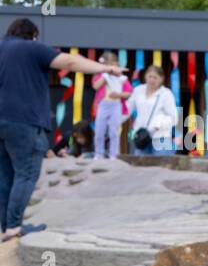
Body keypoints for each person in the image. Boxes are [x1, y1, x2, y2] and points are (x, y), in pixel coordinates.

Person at [0, 18, 125, 242]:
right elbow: (69, 62)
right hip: (23, 120)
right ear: (33, 34)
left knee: (5, 175)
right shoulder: (31, 47)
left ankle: (5, 225)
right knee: (26, 172)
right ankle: (12, 228)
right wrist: (107, 68)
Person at [126, 65, 178, 155]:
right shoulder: (138, 90)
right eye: (150, 76)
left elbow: (173, 118)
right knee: (139, 166)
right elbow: (127, 109)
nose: (152, 80)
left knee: (161, 167)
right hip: (142, 137)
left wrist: (158, 125)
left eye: (155, 77)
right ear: (145, 76)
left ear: (161, 79)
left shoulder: (166, 94)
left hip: (161, 137)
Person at [92, 54, 131, 160]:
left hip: (116, 105)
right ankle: (98, 153)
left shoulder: (123, 79)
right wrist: (106, 76)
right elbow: (95, 86)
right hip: (103, 104)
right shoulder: (102, 75)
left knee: (114, 131)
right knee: (99, 130)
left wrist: (118, 95)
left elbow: (128, 93)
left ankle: (113, 154)